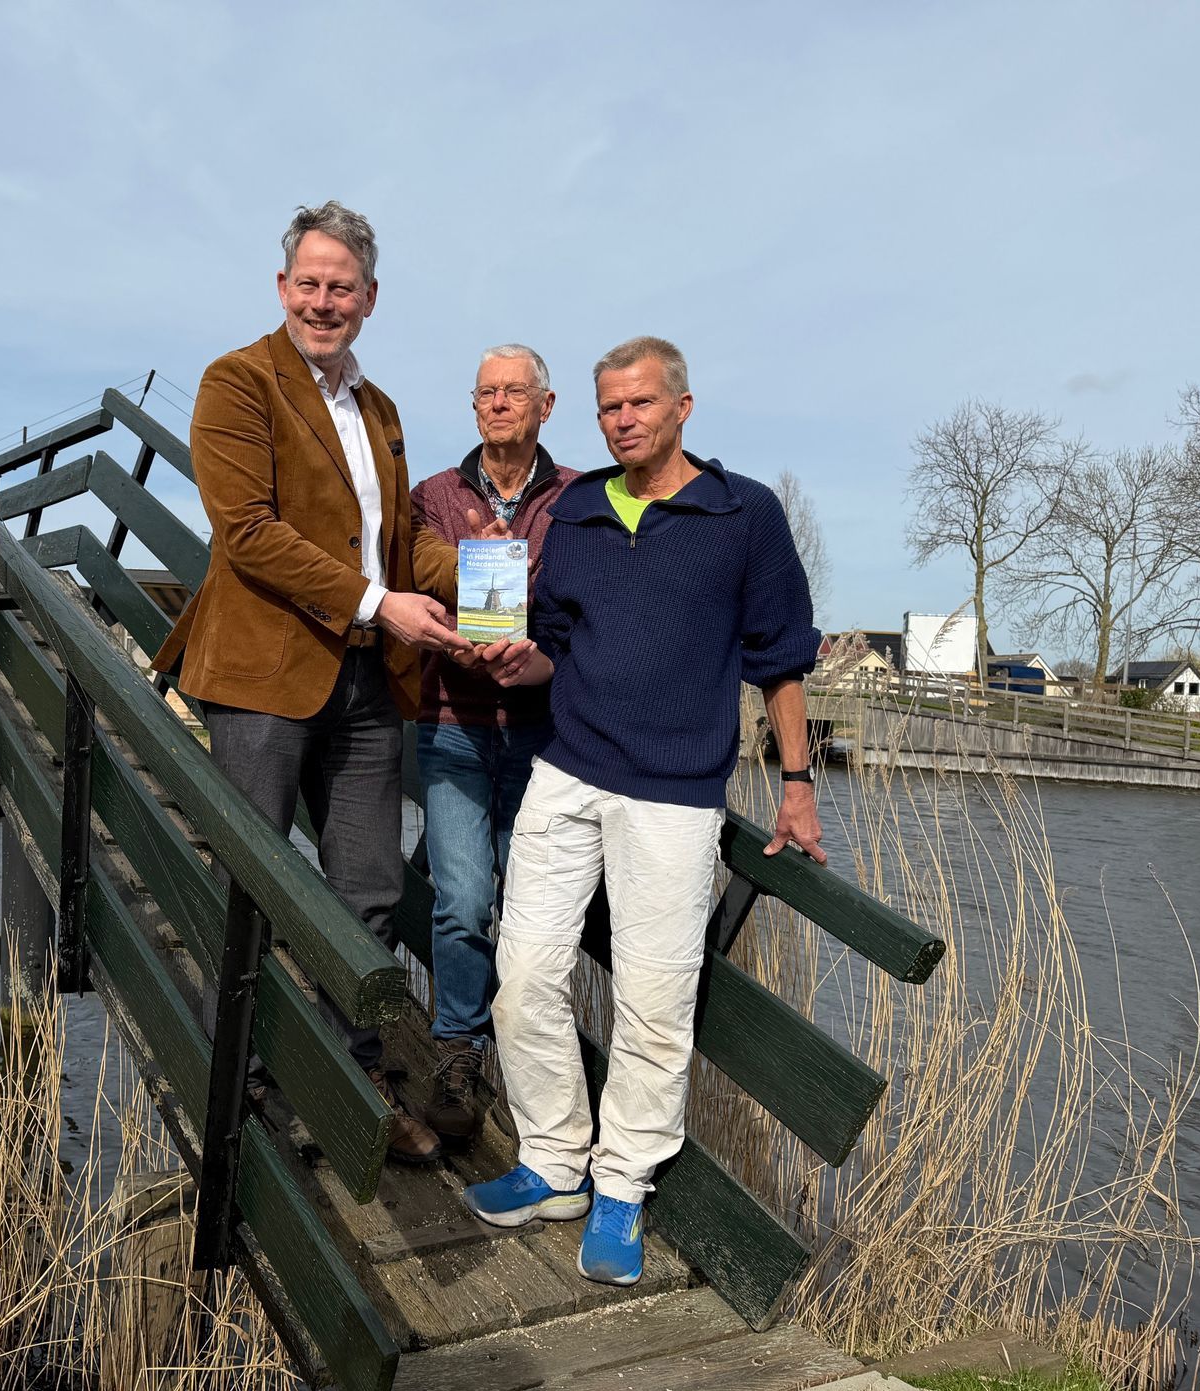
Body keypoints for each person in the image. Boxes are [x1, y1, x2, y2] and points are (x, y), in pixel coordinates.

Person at [460, 336, 823, 1283]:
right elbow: (554, 647)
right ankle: (552, 1160)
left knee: (653, 1001)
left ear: (683, 408)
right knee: (525, 970)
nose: (623, 421)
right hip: (568, 770)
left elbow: (780, 658)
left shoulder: (743, 515)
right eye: (609, 408)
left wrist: (797, 785)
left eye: (640, 405)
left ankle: (621, 1184)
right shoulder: (577, 510)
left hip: (673, 794)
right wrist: (508, 658)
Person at [151, 201, 474, 1165]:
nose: (323, 300)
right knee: (251, 879)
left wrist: (505, 576)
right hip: (261, 677)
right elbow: (248, 531)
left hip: (367, 682)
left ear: (370, 299)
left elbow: (401, 541)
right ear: (282, 285)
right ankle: (240, 1082)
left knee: (367, 884)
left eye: (342, 286)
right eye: (309, 282)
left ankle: (352, 1075)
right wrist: (381, 604)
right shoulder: (237, 381)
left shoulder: (379, 410)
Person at [408, 344, 578, 1144]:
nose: (501, 403)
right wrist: (449, 634)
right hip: (454, 727)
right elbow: (409, 578)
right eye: (488, 392)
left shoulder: (581, 499)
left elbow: (589, 605)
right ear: (472, 405)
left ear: (548, 405)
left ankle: (532, 1064)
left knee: (534, 914)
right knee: (465, 901)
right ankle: (458, 1055)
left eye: (518, 392)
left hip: (545, 735)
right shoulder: (433, 496)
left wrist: (536, 644)